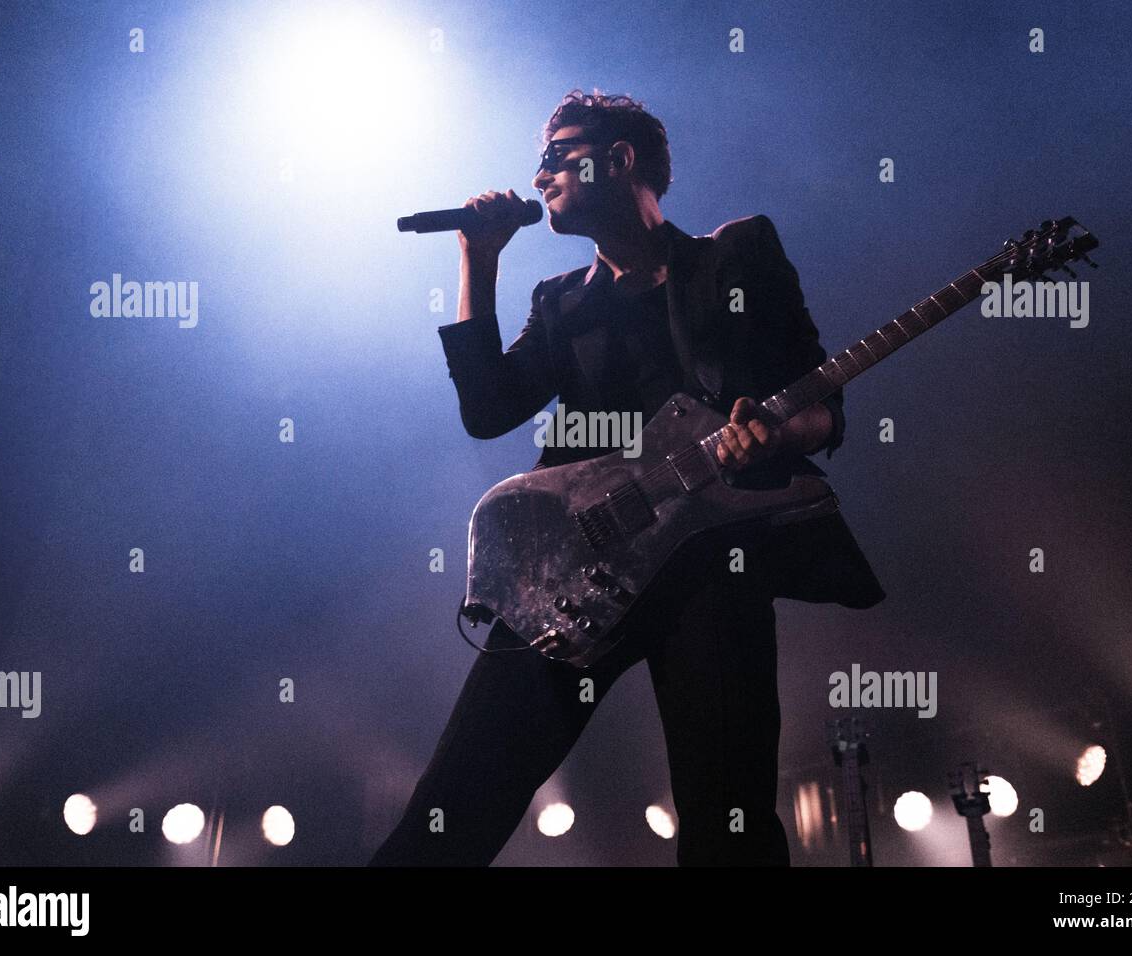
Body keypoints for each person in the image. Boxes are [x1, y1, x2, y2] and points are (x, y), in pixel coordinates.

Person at [369, 89, 883, 866]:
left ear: (619, 159)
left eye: (556, 155)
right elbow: (487, 409)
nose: (539, 176)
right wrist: (480, 257)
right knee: (453, 806)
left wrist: (777, 427)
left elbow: (825, 406)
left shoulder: (735, 256)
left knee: (728, 827)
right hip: (578, 568)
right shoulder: (562, 301)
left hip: (712, 565)